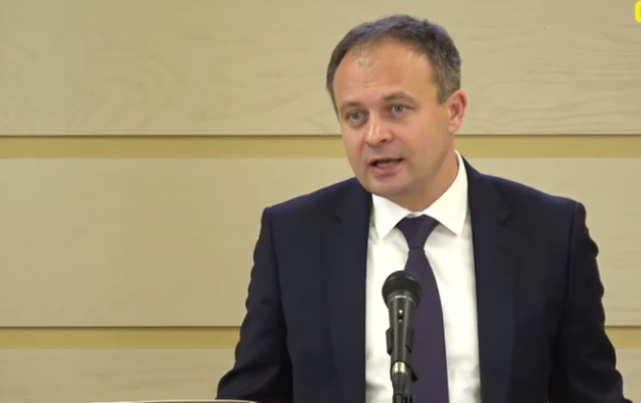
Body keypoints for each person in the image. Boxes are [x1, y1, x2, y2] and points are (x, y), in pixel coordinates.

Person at [215, 14, 632, 403]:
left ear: (454, 111)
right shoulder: (294, 237)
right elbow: (252, 395)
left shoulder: (550, 233)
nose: (374, 134)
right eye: (355, 115)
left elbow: (591, 394)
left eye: (397, 109)